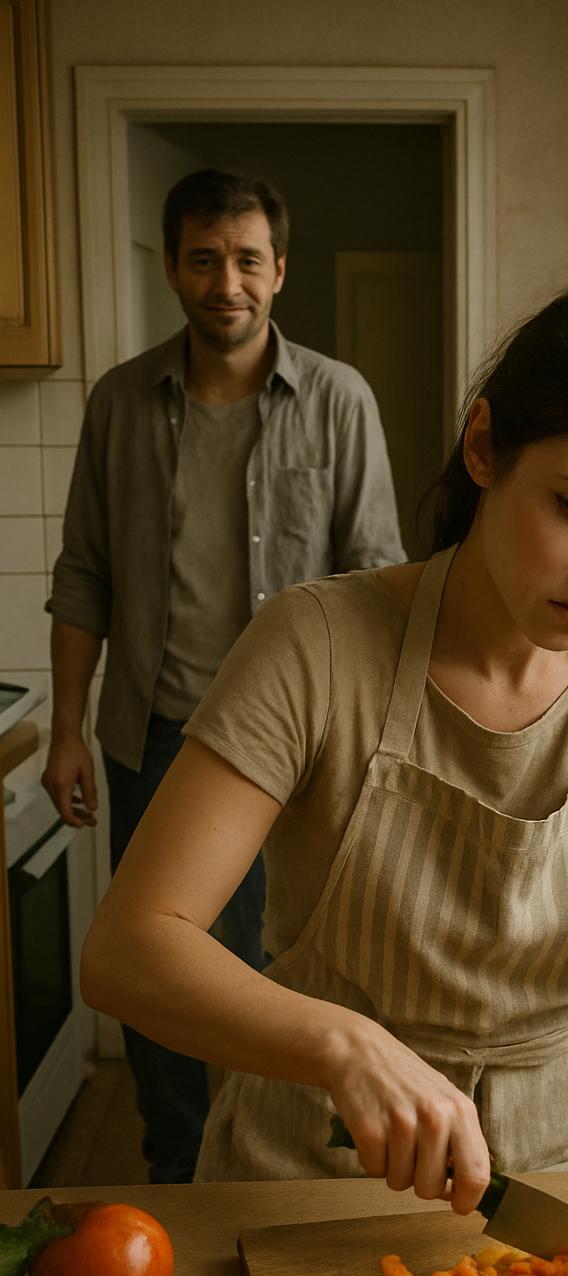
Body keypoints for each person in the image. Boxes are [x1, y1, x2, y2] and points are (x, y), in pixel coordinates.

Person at [79, 282, 568, 1212]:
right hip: (318, 1183)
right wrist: (345, 1046)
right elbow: (129, 949)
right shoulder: (315, 644)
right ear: (484, 446)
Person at [44, 168, 405, 1183]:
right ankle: (175, 1171)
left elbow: (377, 578)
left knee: (283, 965)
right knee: (155, 974)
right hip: (155, 737)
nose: (227, 283)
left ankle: (267, 1171)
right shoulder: (120, 403)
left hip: (304, 754)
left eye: (247, 260)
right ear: (171, 267)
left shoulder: (338, 400)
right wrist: (66, 728)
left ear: (280, 270)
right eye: (204, 260)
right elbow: (83, 576)